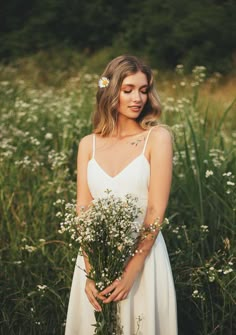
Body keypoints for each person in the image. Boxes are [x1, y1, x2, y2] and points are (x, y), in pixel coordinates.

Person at [65, 55, 178, 335]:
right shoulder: (87, 145)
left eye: (143, 90)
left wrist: (131, 273)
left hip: (143, 260)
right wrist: (91, 273)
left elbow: (154, 211)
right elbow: (83, 211)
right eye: (127, 90)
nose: (137, 98)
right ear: (110, 91)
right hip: (95, 257)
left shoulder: (157, 138)